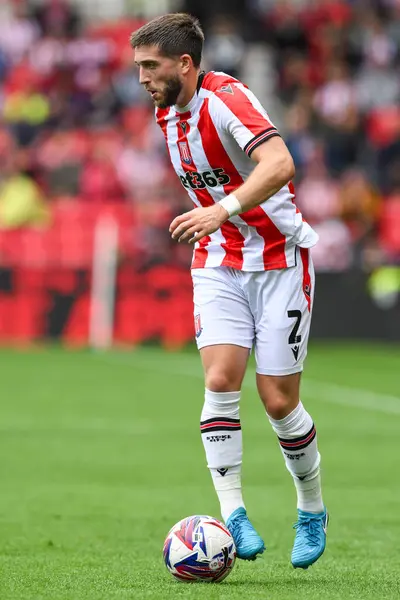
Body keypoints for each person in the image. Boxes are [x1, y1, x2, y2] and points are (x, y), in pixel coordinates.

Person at [130, 13, 328, 569]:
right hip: (217, 260)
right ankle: (233, 513)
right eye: (139, 67)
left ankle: (311, 509)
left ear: (185, 64)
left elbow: (280, 162)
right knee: (220, 379)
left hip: (279, 260)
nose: (142, 77)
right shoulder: (164, 113)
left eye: (151, 66)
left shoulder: (227, 98)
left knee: (278, 400)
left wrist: (221, 209)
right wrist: (213, 220)